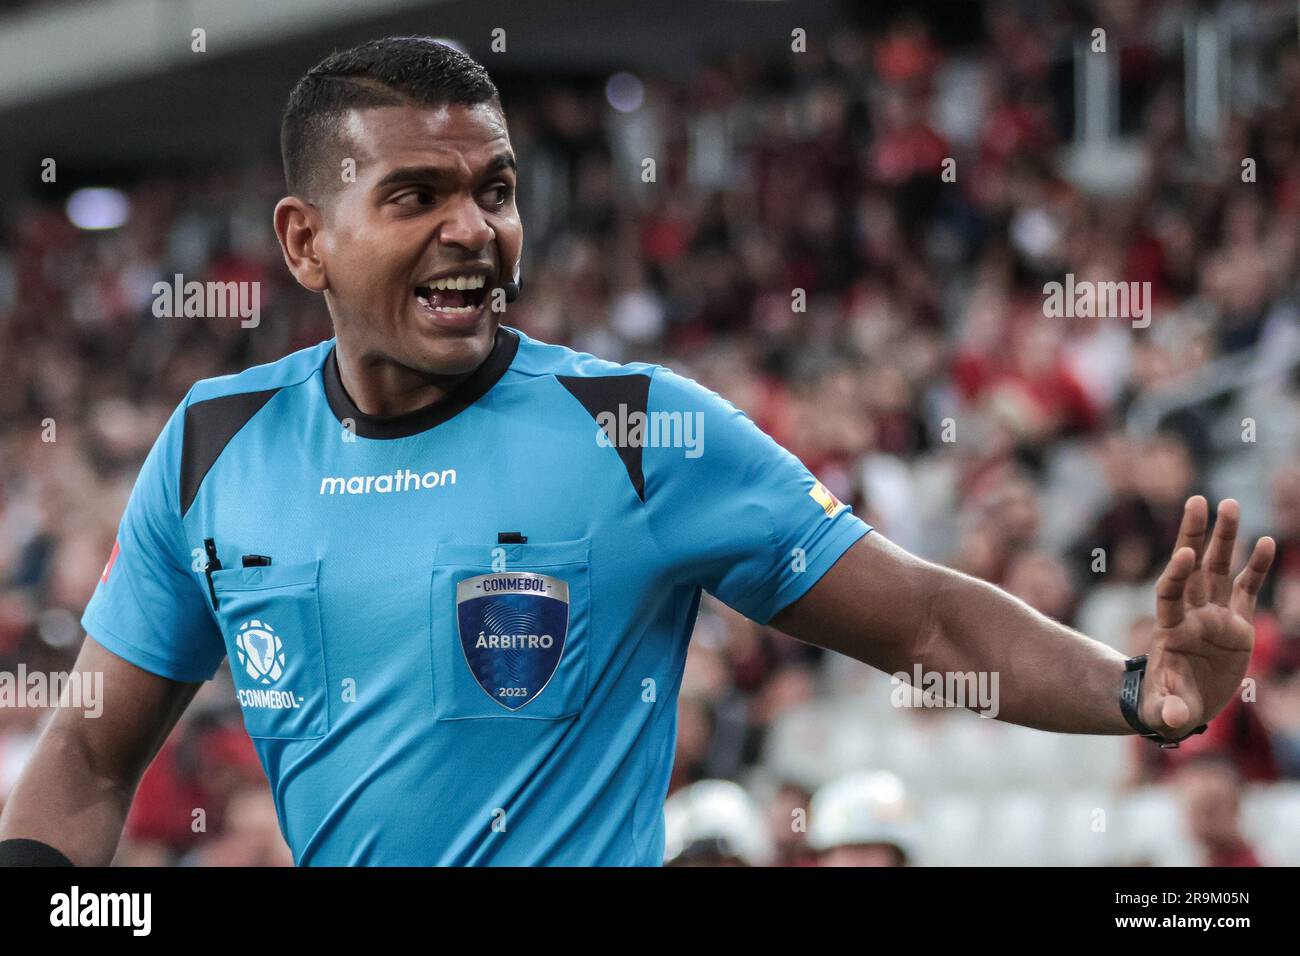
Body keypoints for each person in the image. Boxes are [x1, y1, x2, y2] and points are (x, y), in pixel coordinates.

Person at [0, 36, 1276, 867]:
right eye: (414, 197)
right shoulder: (214, 445)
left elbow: (926, 625)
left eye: (493, 189)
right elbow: (91, 752)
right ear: (302, 241)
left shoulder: (635, 427)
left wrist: (1129, 690)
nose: (474, 228)